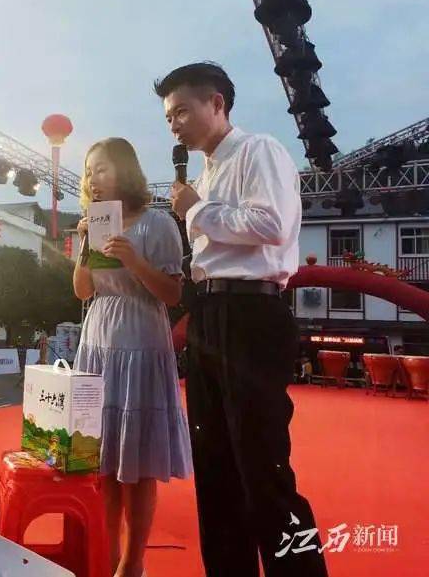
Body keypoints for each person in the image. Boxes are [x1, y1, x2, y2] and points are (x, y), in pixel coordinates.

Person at [161, 62, 328, 576]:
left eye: (182, 111)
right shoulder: (204, 174)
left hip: (252, 313)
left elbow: (271, 225)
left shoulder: (259, 150)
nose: (174, 125)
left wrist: (195, 211)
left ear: (217, 103)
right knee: (215, 470)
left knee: (263, 467)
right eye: (168, 118)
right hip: (209, 313)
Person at [73, 137, 193, 577]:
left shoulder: (157, 222)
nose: (93, 178)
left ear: (125, 171)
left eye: (102, 168)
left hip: (142, 339)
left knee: (138, 467)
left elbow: (173, 294)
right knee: (102, 463)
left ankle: (132, 562)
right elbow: (82, 291)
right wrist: (84, 247)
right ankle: (106, 557)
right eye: (89, 171)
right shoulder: (93, 225)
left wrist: (134, 259)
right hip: (97, 342)